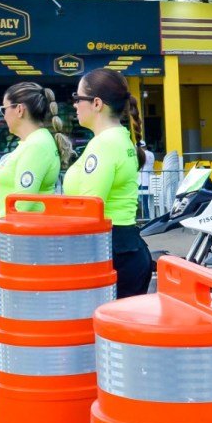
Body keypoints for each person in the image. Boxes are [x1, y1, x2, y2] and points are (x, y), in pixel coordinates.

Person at [64, 68, 152, 298]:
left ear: (96, 103)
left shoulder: (104, 144)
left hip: (110, 252)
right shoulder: (120, 137)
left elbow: (89, 208)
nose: (74, 105)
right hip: (124, 248)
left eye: (77, 98)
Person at [0, 83, 69, 251]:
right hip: (17, 234)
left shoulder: (36, 145)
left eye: (4, 109)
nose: (3, 116)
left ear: (19, 110)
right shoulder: (30, 143)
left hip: (28, 239)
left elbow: (22, 202)